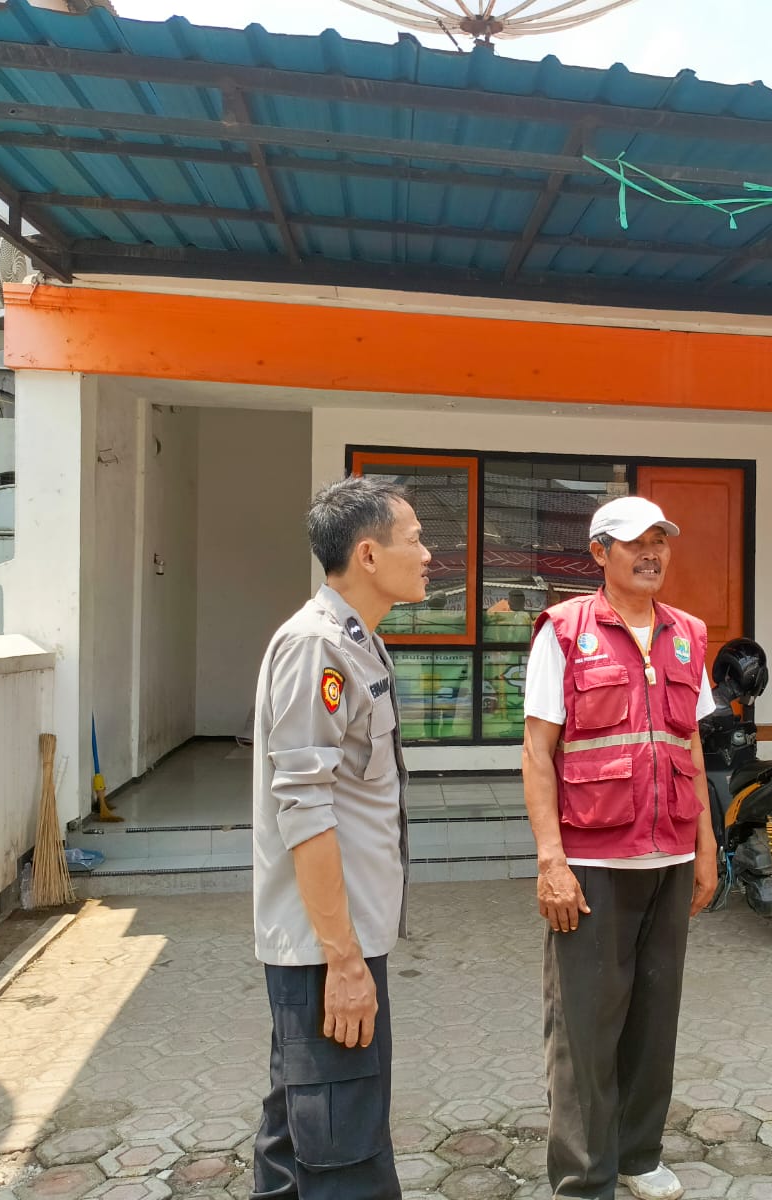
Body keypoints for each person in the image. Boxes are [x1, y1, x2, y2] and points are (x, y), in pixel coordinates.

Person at [521, 496, 720, 1200]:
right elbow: (537, 753)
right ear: (600, 552)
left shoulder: (688, 635)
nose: (652, 553)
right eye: (636, 542)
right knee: (583, 1027)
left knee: (653, 1019)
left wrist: (706, 846)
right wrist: (551, 861)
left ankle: (638, 1154)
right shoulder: (563, 632)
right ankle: (584, 1177)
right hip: (592, 865)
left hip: (669, 859)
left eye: (660, 540)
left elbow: (690, 745)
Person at [250, 476, 430, 1200]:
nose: (429, 555)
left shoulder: (358, 643)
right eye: (415, 539)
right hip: (327, 951)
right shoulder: (316, 647)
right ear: (368, 555)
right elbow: (305, 809)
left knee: (296, 1137)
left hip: (341, 940)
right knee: (344, 1154)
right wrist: (345, 963)